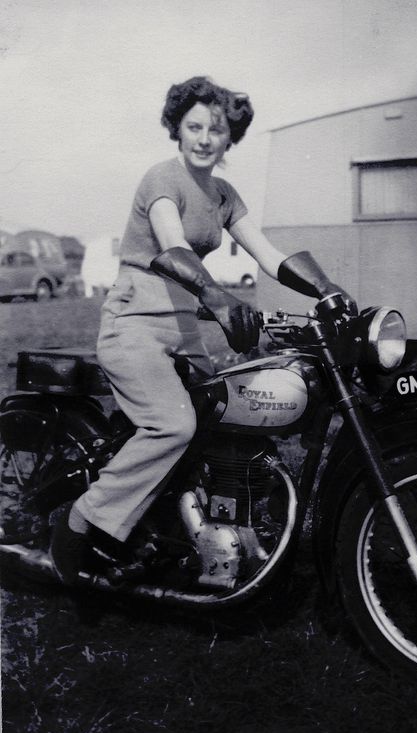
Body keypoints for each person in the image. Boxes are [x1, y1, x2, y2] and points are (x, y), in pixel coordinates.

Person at [50, 76, 354, 585]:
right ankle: (78, 524)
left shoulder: (224, 195)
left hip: (182, 326)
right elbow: (172, 246)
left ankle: (185, 531)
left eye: (216, 129)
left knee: (220, 420)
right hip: (134, 321)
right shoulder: (161, 179)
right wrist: (217, 296)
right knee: (173, 426)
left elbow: (269, 255)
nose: (205, 138)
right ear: (177, 128)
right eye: (194, 126)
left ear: (230, 136)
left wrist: (327, 288)